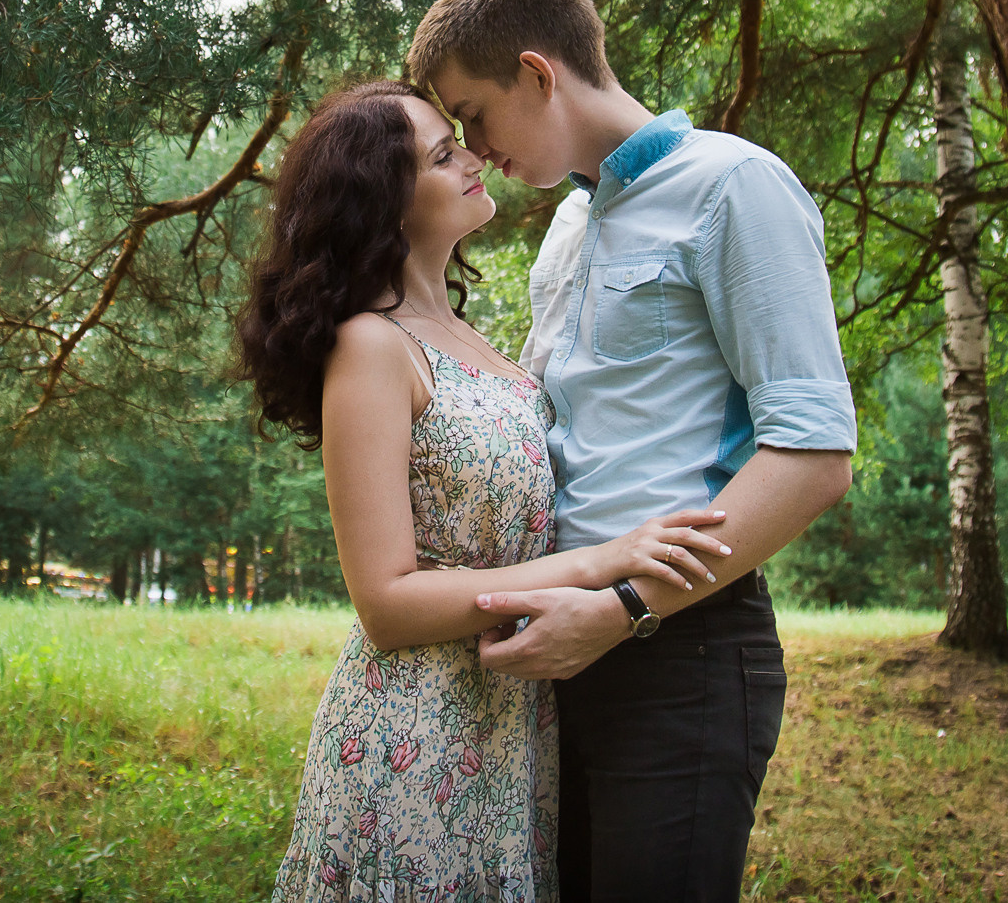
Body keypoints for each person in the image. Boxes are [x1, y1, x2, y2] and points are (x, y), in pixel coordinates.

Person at [406, 0, 858, 903]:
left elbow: (813, 455)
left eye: (475, 114)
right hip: (557, 650)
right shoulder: (569, 226)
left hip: (680, 651)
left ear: (538, 72)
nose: (475, 150)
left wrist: (624, 610)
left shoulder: (735, 186)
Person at [241, 79, 735, 903]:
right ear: (384, 202)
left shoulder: (473, 342)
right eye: (442, 154)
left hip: (509, 731)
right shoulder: (370, 346)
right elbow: (387, 602)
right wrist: (598, 563)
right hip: (414, 736)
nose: (475, 157)